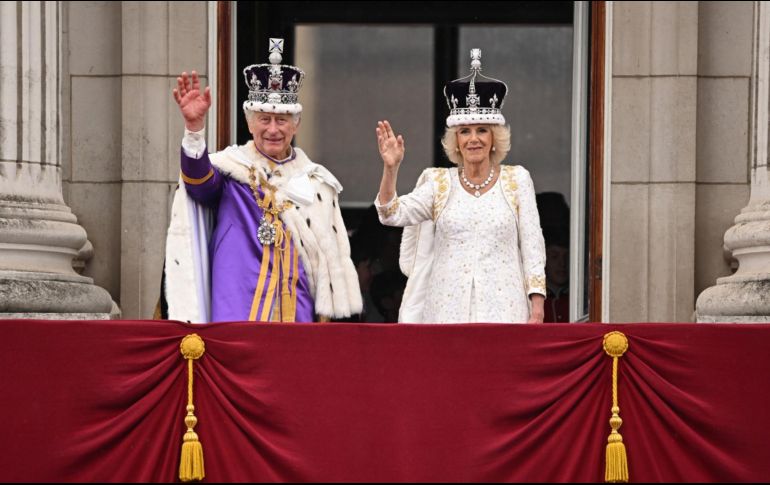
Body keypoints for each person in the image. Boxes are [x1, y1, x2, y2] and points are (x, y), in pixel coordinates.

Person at [163, 38, 362, 323]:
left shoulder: (316, 182)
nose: (273, 129)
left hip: (297, 312)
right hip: (237, 310)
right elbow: (199, 184)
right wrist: (194, 130)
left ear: (296, 124)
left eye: (282, 120)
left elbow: (328, 264)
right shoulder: (232, 170)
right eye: (264, 119)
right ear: (249, 123)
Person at [374, 48, 546, 323]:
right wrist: (391, 168)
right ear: (456, 140)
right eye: (465, 131)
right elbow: (391, 213)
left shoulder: (517, 180)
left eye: (482, 130)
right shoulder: (438, 183)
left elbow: (532, 246)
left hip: (505, 311)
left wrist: (537, 306)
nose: (473, 139)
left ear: (494, 138)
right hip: (446, 312)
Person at [543, 226, 570, 323]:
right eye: (554, 256)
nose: (562, 263)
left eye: (567, 257)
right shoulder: (535, 298)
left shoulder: (582, 301)